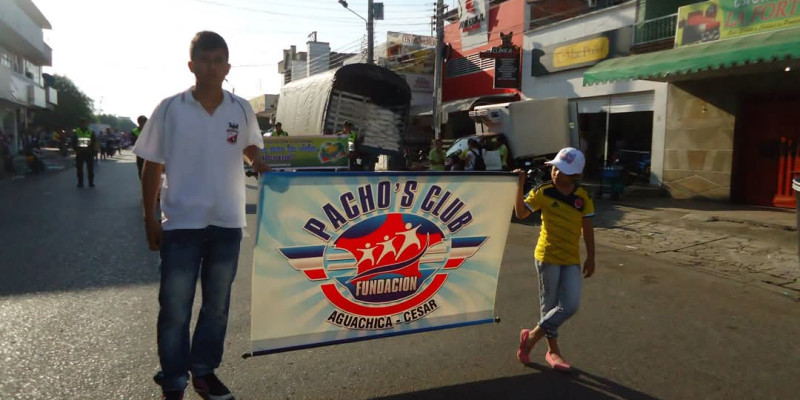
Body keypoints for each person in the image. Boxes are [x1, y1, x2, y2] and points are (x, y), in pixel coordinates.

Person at [133, 31, 271, 400]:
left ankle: (204, 372)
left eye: (218, 61)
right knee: (175, 306)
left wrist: (257, 160)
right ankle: (175, 380)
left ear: (227, 67)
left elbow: (251, 146)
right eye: (204, 60)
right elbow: (152, 164)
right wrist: (150, 217)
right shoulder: (170, 108)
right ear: (192, 65)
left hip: (227, 223)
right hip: (181, 224)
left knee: (217, 306)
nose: (211, 68)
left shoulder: (240, 108)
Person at [512, 147, 596, 372]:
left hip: (571, 259)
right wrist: (518, 185)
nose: (557, 173)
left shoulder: (583, 197)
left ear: (576, 174)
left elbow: (587, 229)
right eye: (556, 168)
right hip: (547, 256)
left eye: (564, 170)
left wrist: (592, 257)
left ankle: (530, 338)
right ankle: (553, 351)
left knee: (570, 305)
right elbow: (521, 214)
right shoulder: (543, 191)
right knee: (548, 306)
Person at [72, 119, 97, 187]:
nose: (84, 124)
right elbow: (73, 142)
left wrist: (94, 151)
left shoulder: (91, 131)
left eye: (85, 123)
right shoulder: (77, 131)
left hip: (89, 153)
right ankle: (80, 183)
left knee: (90, 169)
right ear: (80, 124)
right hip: (80, 153)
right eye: (83, 123)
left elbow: (94, 142)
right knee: (79, 169)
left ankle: (91, 183)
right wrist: (76, 149)